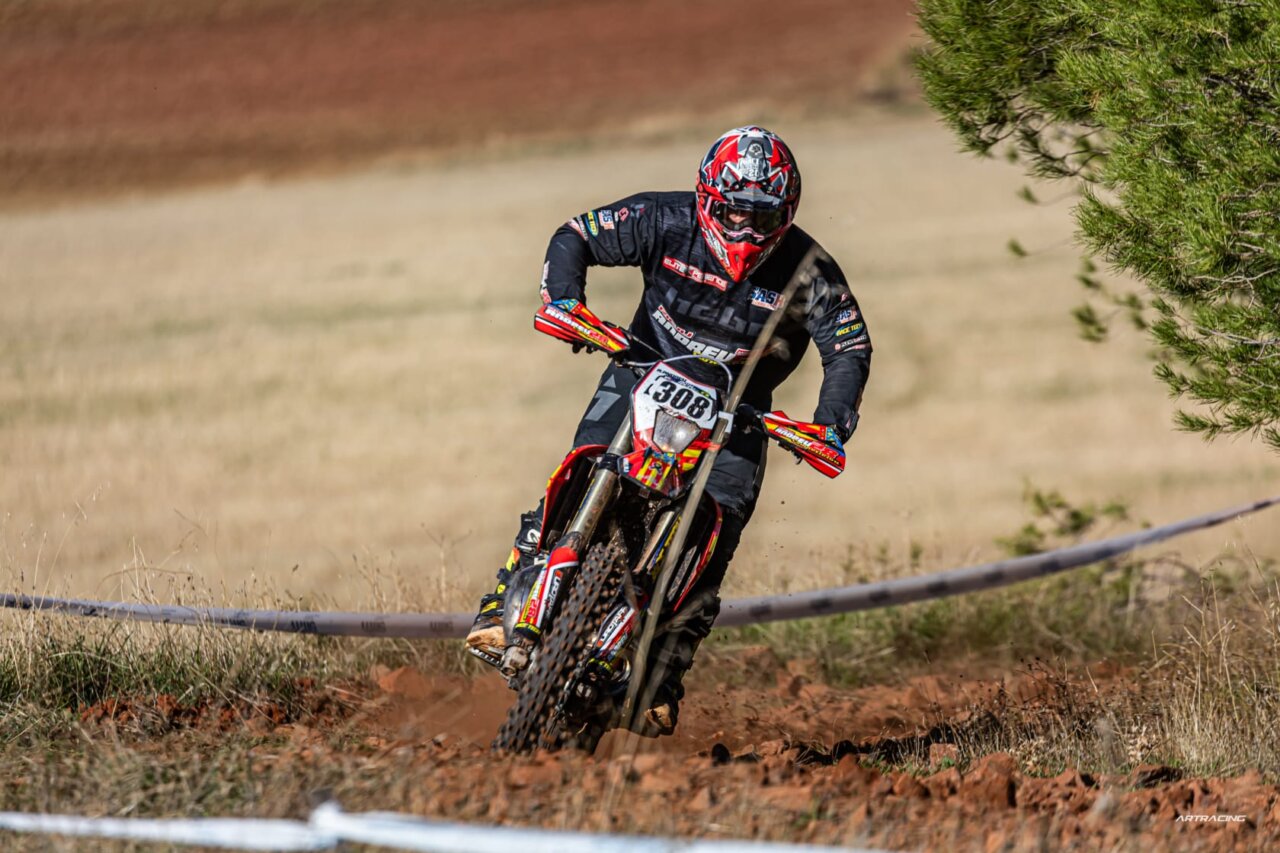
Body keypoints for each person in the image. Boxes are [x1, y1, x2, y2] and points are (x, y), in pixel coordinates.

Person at [466, 126, 871, 734]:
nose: (744, 231)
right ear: (708, 198)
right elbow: (575, 234)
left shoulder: (810, 269)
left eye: (761, 219)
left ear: (784, 216)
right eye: (732, 213)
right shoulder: (663, 217)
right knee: (582, 464)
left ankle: (661, 677)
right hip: (640, 371)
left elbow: (849, 347)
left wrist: (830, 426)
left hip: (738, 415)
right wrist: (562, 298)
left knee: (717, 536)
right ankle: (502, 603)